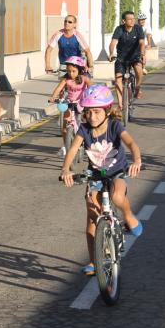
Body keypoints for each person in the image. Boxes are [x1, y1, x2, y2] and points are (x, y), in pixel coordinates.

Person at [60, 85, 143, 275]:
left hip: (117, 173)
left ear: (107, 110)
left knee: (117, 197)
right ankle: (94, 261)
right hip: (95, 175)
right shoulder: (84, 129)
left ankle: (129, 217)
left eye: (96, 112)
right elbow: (73, 149)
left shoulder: (115, 126)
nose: (92, 117)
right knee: (91, 216)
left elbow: (130, 143)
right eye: (88, 112)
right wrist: (66, 169)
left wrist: (136, 160)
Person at [48, 56, 91, 155]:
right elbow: (58, 88)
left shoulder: (85, 78)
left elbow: (91, 88)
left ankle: (86, 141)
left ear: (79, 70)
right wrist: (53, 97)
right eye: (69, 71)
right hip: (69, 103)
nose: (71, 73)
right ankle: (66, 145)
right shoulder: (66, 79)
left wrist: (90, 97)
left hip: (81, 103)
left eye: (73, 71)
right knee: (64, 127)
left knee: (85, 122)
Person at [109, 11, 146, 104]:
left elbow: (142, 43)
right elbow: (113, 42)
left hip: (135, 56)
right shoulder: (119, 29)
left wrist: (142, 54)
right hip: (121, 58)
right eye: (129, 19)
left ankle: (137, 87)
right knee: (118, 79)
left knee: (138, 69)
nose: (132, 21)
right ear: (123, 21)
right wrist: (111, 53)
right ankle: (121, 105)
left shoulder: (138, 29)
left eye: (133, 19)